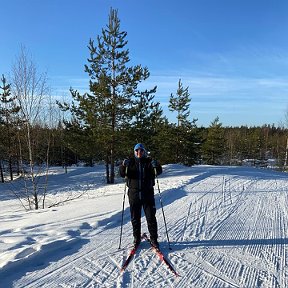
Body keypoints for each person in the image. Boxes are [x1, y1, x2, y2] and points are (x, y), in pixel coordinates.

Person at [119, 143, 162, 249]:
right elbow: (122, 174)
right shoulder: (131, 162)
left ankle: (154, 239)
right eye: (137, 150)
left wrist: (156, 165)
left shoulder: (148, 162)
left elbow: (158, 172)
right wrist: (123, 165)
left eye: (141, 151)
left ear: (144, 152)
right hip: (134, 195)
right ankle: (136, 238)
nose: (139, 152)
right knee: (135, 218)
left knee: (151, 218)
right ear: (134, 152)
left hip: (147, 194)